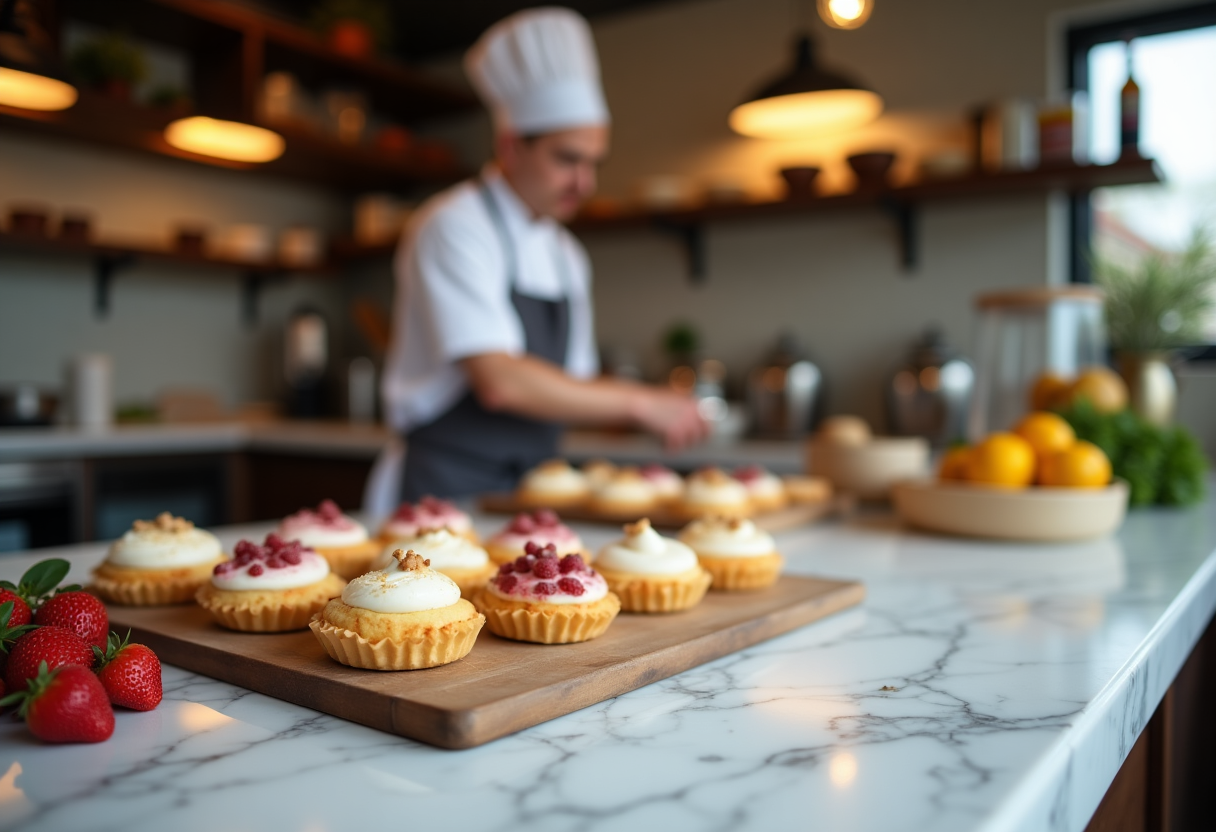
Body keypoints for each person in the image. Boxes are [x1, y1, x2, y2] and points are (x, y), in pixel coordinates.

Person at [377, 7, 708, 503]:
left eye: (594, 163)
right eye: (567, 159)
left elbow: (569, 387)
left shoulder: (566, 254)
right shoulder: (453, 225)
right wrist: (640, 403)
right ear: (511, 147)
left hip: (529, 492)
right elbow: (500, 381)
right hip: (442, 491)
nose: (586, 183)